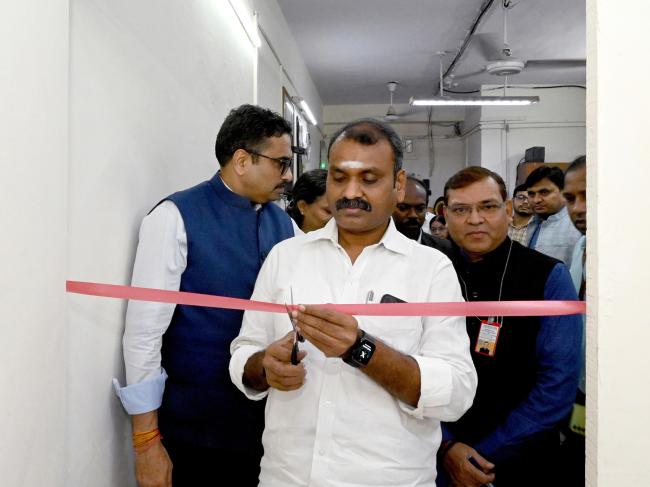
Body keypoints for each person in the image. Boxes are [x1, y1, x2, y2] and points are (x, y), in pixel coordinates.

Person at [230, 119, 477, 486]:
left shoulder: (431, 269)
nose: (351, 192)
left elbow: (456, 393)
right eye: (339, 177)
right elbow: (244, 352)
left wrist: (362, 350)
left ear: (397, 182)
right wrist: (264, 367)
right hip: (288, 476)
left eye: (369, 178)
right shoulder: (286, 257)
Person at [113, 104, 296, 487]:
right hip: (196, 434)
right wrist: (146, 442)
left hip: (270, 433)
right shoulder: (175, 217)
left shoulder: (287, 225)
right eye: (281, 163)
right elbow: (143, 333)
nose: (289, 175)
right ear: (242, 160)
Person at [437, 166, 582, 487]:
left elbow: (557, 387)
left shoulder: (547, 277)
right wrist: (446, 446)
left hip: (520, 456)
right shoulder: (430, 273)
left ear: (507, 209)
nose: (475, 219)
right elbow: (410, 367)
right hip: (436, 455)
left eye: (488, 207)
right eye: (461, 209)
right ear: (446, 215)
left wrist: (478, 454)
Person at [559, 155, 587, 485]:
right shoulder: (582, 246)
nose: (578, 209)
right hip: (580, 385)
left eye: (588, 196)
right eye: (570, 199)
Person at [525, 165, 582, 265]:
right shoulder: (534, 222)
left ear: (563, 191)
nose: (536, 200)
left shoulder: (576, 225)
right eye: (531, 194)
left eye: (544, 192)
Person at [393, 175, 453, 256]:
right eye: (403, 208)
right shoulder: (374, 246)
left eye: (420, 209)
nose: (413, 215)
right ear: (390, 207)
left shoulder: (444, 248)